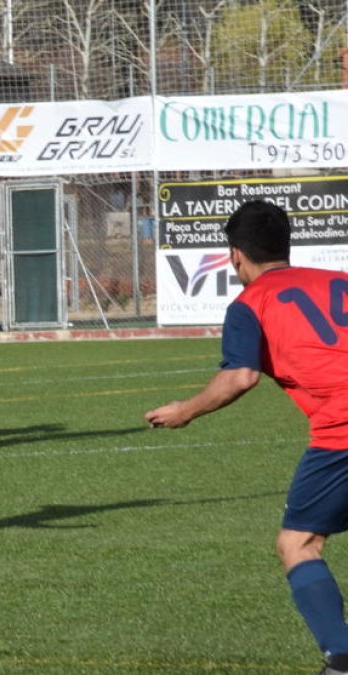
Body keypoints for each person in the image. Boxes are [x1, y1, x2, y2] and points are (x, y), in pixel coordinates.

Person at [144, 200, 348, 675]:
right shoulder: (339, 281)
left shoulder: (249, 304)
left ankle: (342, 659)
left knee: (299, 543)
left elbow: (240, 377)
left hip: (341, 431)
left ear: (235, 255)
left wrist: (184, 411)